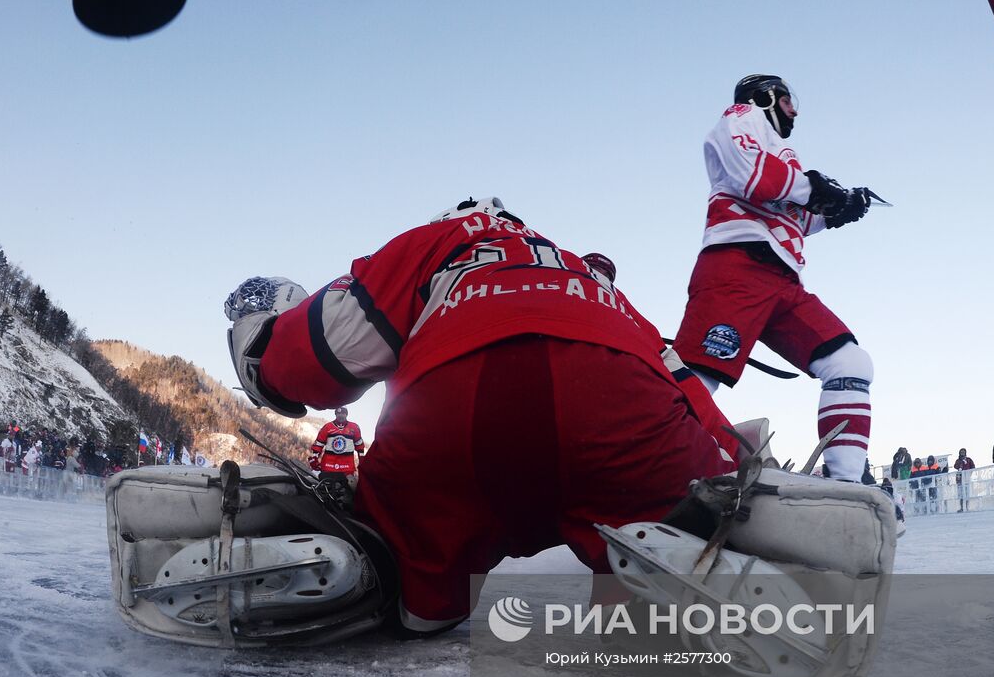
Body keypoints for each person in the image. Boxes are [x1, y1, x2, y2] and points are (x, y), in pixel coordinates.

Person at [224, 197, 737, 635]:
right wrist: (734, 465)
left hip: (456, 414)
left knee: (408, 586)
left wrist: (267, 359)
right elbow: (687, 391)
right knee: (675, 543)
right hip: (624, 410)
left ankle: (391, 587)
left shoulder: (441, 240)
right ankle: (671, 601)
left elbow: (324, 353)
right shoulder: (586, 275)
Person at [673, 74, 878, 483]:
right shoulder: (742, 116)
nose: (795, 110)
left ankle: (847, 486)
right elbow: (756, 178)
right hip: (738, 265)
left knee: (849, 363)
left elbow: (788, 212)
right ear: (766, 95)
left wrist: (833, 212)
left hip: (782, 279)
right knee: (696, 379)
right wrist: (817, 189)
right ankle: (649, 477)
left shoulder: (783, 151)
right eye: (788, 100)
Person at [309, 406, 365, 483]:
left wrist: (362, 460)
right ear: (335, 414)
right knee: (326, 488)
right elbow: (318, 444)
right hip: (328, 466)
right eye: (338, 413)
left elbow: (359, 445)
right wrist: (314, 458)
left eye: (343, 413)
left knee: (347, 490)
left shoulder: (354, 427)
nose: (341, 415)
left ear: (346, 414)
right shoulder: (327, 427)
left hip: (347, 467)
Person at [953, 447, 974, 512]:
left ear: (965, 453)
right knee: (961, 494)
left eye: (963, 452)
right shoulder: (958, 460)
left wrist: (969, 472)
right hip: (959, 478)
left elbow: (973, 466)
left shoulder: (968, 459)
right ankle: (962, 508)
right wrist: (960, 463)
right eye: (961, 452)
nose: (962, 453)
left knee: (967, 493)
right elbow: (955, 466)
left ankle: (967, 507)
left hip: (966, 478)